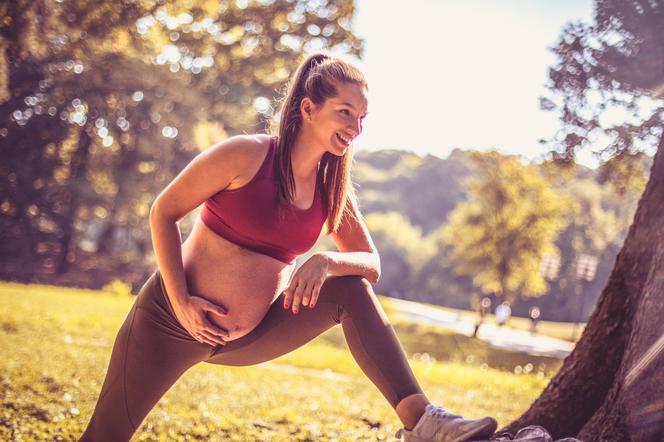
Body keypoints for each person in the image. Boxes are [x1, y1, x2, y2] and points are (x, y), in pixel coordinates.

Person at [79, 52, 498, 442]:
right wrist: (182, 301)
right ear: (308, 108)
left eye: (363, 118)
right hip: (170, 322)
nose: (355, 128)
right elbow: (163, 212)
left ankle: (422, 422)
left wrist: (327, 260)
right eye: (345, 112)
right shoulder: (245, 154)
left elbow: (370, 264)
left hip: (250, 336)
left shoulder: (331, 189)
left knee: (352, 290)